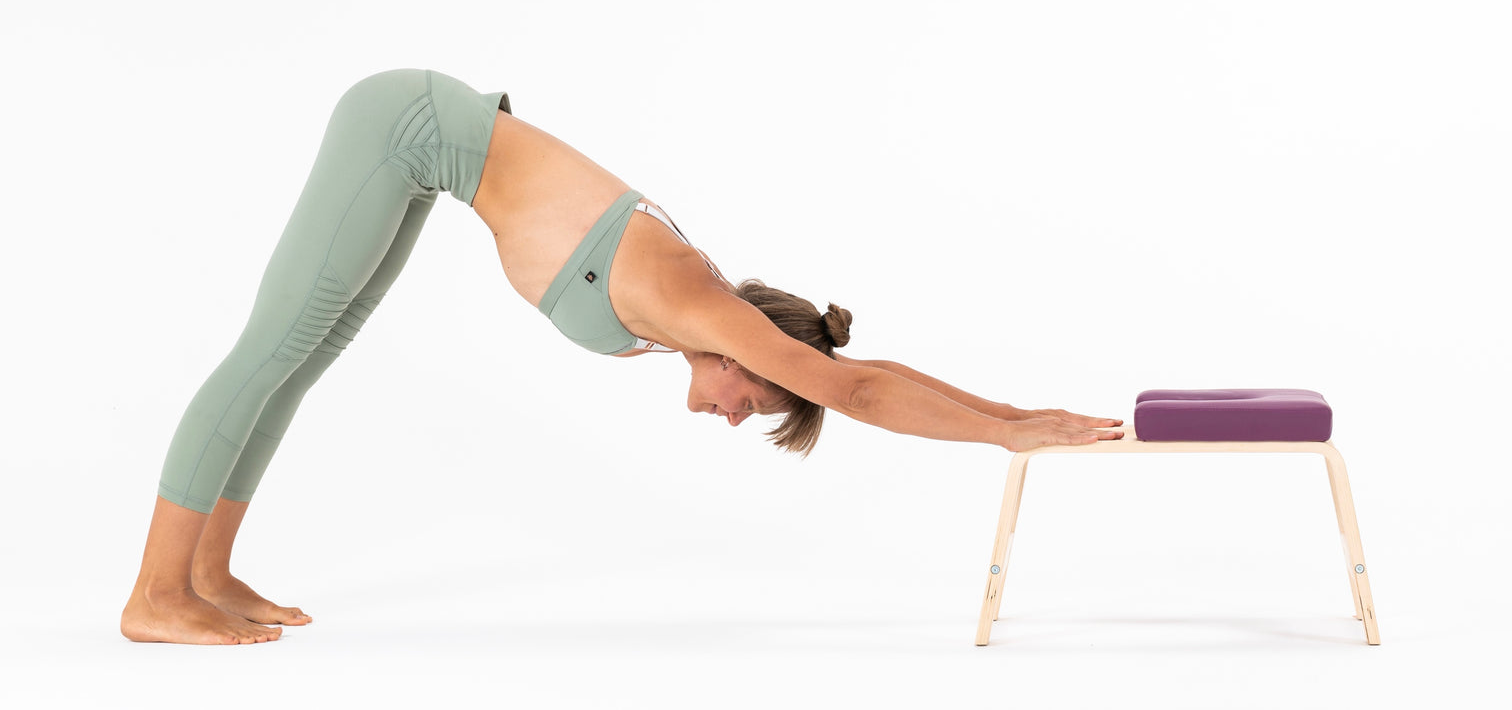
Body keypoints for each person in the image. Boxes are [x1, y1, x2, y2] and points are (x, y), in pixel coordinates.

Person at [120, 68, 1124, 645]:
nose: (732, 415)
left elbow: (859, 372)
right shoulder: (695, 296)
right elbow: (855, 387)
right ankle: (156, 595)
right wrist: (1004, 433)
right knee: (271, 348)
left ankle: (207, 573)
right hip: (405, 128)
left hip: (425, 155)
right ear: (750, 349)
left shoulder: (689, 316)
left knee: (301, 359)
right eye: (754, 401)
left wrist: (1008, 417)